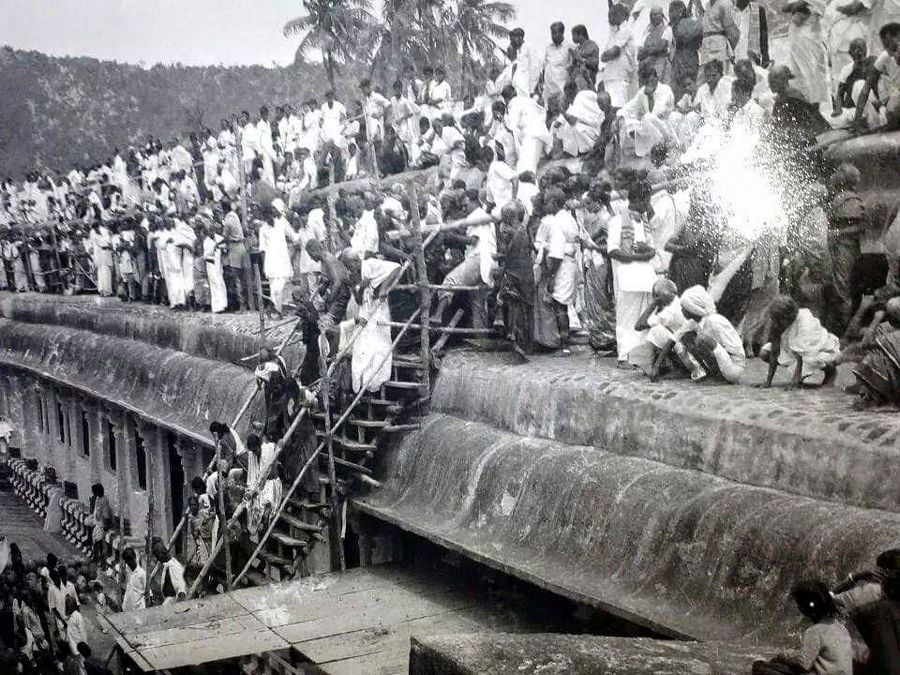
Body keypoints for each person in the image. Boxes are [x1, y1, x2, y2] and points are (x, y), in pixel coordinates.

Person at [752, 580, 853, 675]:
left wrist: (784, 656)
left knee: (759, 666)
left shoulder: (815, 631)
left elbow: (802, 666)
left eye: (799, 604)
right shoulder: (840, 628)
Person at [608, 180, 658, 368]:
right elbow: (613, 250)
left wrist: (643, 251)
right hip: (627, 275)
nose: (648, 204)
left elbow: (652, 251)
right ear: (638, 199)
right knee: (626, 317)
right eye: (646, 199)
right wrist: (635, 255)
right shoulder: (617, 221)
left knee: (644, 316)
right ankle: (623, 357)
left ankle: (639, 356)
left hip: (645, 276)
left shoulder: (644, 222)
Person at [759, 295, 840, 387]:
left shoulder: (805, 321)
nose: (776, 322)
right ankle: (798, 374)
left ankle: (831, 371)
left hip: (818, 348)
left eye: (779, 319)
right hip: (792, 350)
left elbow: (802, 353)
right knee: (764, 353)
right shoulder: (777, 323)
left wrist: (795, 380)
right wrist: (768, 382)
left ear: (788, 316)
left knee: (812, 359)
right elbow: (774, 352)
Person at [672, 285, 747, 383]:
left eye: (684, 308)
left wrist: (709, 343)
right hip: (722, 361)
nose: (682, 311)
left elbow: (736, 352)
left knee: (702, 339)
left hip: (734, 367)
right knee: (687, 337)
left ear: (692, 309)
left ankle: (720, 376)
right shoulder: (694, 322)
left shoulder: (714, 320)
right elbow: (675, 337)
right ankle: (711, 373)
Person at [496, 200, 535, 360]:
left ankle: (519, 344)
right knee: (526, 308)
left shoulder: (511, 231)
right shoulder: (524, 229)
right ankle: (526, 344)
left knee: (516, 308)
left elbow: (505, 251)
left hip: (515, 272)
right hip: (525, 272)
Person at [785, 0, 831, 106]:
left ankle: (817, 107)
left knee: (815, 75)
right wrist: (795, 8)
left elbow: (822, 9)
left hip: (812, 35)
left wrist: (804, 5)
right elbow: (786, 8)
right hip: (795, 35)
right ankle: (802, 106)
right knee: (796, 74)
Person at [501, 85, 551, 174]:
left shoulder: (513, 103)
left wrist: (503, 120)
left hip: (532, 135)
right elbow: (543, 112)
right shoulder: (527, 100)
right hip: (541, 131)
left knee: (525, 169)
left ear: (506, 99)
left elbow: (511, 126)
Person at [552, 81, 606, 158]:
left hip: (596, 131)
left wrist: (561, 109)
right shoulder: (588, 92)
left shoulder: (578, 100)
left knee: (574, 126)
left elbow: (572, 121)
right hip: (601, 125)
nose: (568, 97)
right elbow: (557, 124)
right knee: (564, 125)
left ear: (573, 91)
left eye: (568, 95)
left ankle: (587, 150)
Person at [259, 202, 294, 317]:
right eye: (265, 217)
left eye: (269, 215)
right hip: (271, 262)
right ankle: (278, 311)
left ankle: (277, 309)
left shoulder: (282, 224)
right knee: (273, 289)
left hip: (283, 260)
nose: (267, 219)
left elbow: (293, 236)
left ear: (272, 214)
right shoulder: (263, 229)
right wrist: (265, 266)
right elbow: (263, 249)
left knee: (281, 287)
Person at [599, 5, 637, 107]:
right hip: (610, 76)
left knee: (618, 108)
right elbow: (603, 57)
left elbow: (614, 52)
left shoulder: (626, 30)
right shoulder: (615, 32)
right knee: (608, 108)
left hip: (620, 77)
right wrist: (606, 55)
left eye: (614, 14)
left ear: (622, 15)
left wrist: (606, 55)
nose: (611, 17)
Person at [700, 0, 740, 70]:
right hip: (706, 49)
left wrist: (730, 49)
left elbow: (733, 32)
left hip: (720, 49)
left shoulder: (725, 3)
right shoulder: (707, 5)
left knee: (721, 75)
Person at [542, 22, 573, 108]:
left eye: (555, 33)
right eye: (552, 33)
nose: (553, 36)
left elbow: (573, 66)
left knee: (562, 112)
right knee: (548, 113)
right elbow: (545, 66)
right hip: (548, 89)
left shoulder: (569, 47)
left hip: (562, 88)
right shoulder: (548, 48)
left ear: (562, 32)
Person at [639, 8, 673, 84]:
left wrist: (646, 51)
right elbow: (640, 50)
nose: (653, 17)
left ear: (662, 15)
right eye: (652, 15)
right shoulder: (647, 31)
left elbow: (661, 47)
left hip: (661, 63)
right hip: (647, 65)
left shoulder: (667, 29)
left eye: (656, 14)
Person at [152, 541, 186, 605]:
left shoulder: (173, 567)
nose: (157, 559)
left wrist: (180, 606)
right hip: (168, 601)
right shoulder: (168, 565)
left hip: (172, 602)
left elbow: (181, 588)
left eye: (157, 556)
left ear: (161, 554)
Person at [88, 483, 112, 564]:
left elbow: (106, 514)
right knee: (94, 541)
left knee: (98, 543)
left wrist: (106, 525)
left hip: (101, 525)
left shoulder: (104, 500)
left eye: (94, 491)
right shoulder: (97, 498)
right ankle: (96, 557)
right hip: (97, 523)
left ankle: (100, 559)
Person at [120, 547, 146, 612]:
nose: (129, 563)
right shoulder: (127, 569)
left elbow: (148, 592)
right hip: (127, 606)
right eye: (127, 562)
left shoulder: (142, 573)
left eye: (130, 561)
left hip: (138, 608)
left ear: (134, 558)